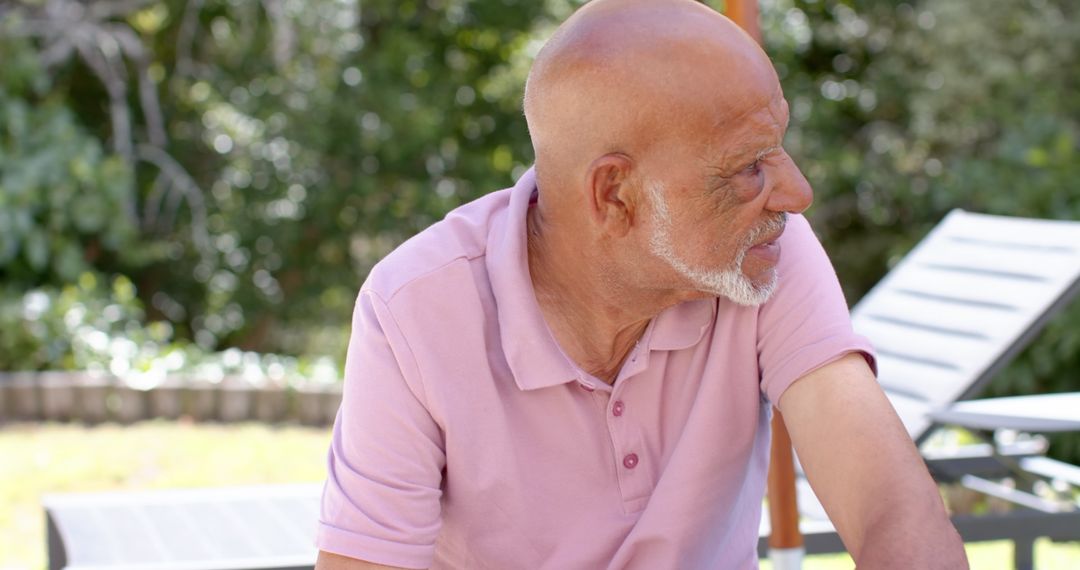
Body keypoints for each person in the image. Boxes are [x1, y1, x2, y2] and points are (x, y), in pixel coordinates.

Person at [314, 0, 969, 568]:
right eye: (746, 168)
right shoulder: (414, 310)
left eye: (780, 149)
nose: (797, 193)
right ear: (614, 193)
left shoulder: (763, 253)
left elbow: (891, 512)